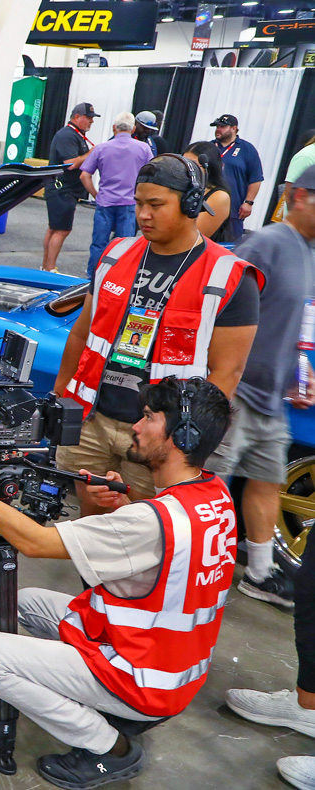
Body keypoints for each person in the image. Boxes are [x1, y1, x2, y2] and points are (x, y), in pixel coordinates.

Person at [0, 376, 237, 790]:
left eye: (149, 417)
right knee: (25, 602)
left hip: (144, 680)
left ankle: (109, 748)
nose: (135, 424)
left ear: (181, 436)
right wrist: (123, 508)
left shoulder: (149, 522)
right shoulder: (213, 495)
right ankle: (94, 700)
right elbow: (162, 553)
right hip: (171, 661)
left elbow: (33, 542)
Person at [54, 153, 261, 514]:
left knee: (145, 536)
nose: (142, 215)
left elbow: (227, 372)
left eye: (155, 204)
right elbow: (81, 334)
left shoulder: (229, 277)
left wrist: (183, 440)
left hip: (160, 439)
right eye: (138, 203)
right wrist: (61, 392)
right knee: (91, 525)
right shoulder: (116, 254)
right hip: (93, 421)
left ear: (191, 204)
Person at [203, 167, 315, 610]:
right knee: (206, 479)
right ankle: (182, 560)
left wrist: (297, 374)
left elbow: (295, 323)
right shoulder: (266, 244)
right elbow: (219, 307)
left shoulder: (310, 252)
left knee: (266, 481)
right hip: (238, 390)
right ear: (298, 196)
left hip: (272, 397)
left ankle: (259, 572)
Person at [80, 113, 153, 276]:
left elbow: (84, 175)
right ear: (133, 129)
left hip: (105, 202)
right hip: (129, 203)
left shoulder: (101, 148)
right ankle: (118, 277)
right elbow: (152, 176)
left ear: (114, 128)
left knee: (99, 244)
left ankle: (93, 277)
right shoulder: (143, 148)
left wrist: (96, 194)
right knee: (125, 245)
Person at [43, 103, 97, 273]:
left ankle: (46, 267)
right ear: (76, 117)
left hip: (63, 189)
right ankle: (50, 268)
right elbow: (70, 164)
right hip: (62, 189)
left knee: (54, 228)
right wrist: (91, 153)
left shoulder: (76, 135)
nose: (91, 122)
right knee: (62, 229)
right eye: (88, 118)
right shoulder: (67, 135)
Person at [212, 114, 265, 242]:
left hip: (233, 211)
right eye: (217, 126)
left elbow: (256, 178)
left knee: (228, 250)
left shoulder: (247, 149)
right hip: (209, 208)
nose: (218, 129)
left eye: (223, 126)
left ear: (234, 128)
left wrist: (248, 202)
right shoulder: (209, 147)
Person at [183, 141, 234, 243]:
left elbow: (192, 237)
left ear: (209, 166)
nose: (188, 170)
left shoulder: (219, 196)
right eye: (184, 163)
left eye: (193, 165)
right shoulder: (185, 187)